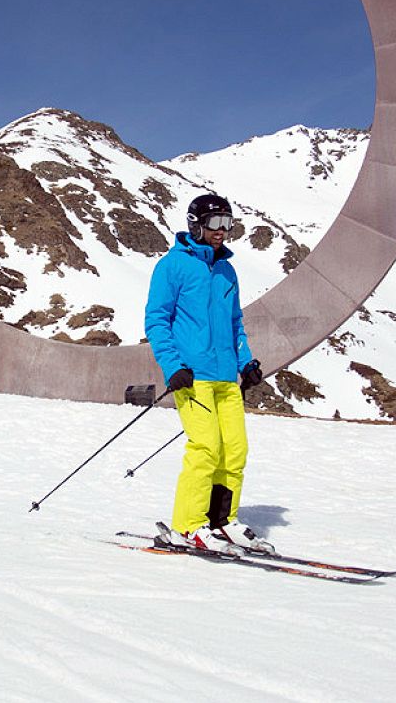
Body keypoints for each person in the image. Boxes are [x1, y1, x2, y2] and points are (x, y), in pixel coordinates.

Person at [143, 193, 272, 555]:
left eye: (227, 224)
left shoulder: (227, 270)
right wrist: (173, 366)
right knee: (205, 448)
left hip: (225, 378)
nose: (222, 231)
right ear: (195, 224)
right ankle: (188, 525)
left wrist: (246, 362)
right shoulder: (172, 266)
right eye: (215, 223)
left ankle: (221, 521)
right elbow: (156, 320)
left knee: (234, 452)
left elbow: (235, 323)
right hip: (193, 377)